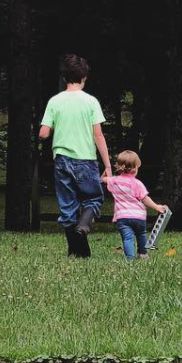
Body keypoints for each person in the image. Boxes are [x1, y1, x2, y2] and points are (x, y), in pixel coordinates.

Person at [38, 54, 112, 257]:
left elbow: (43, 133)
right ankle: (84, 225)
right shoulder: (90, 102)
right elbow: (98, 135)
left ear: (63, 77)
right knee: (94, 198)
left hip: (61, 160)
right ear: (84, 77)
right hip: (85, 161)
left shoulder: (55, 101)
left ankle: (75, 251)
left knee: (67, 205)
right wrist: (108, 165)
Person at [103, 150, 167, 260]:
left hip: (122, 217)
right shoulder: (137, 183)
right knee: (141, 234)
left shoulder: (114, 181)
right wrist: (156, 207)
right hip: (138, 217)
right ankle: (142, 253)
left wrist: (106, 172)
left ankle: (130, 258)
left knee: (128, 238)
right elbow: (144, 198)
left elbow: (103, 179)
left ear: (120, 167)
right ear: (135, 168)